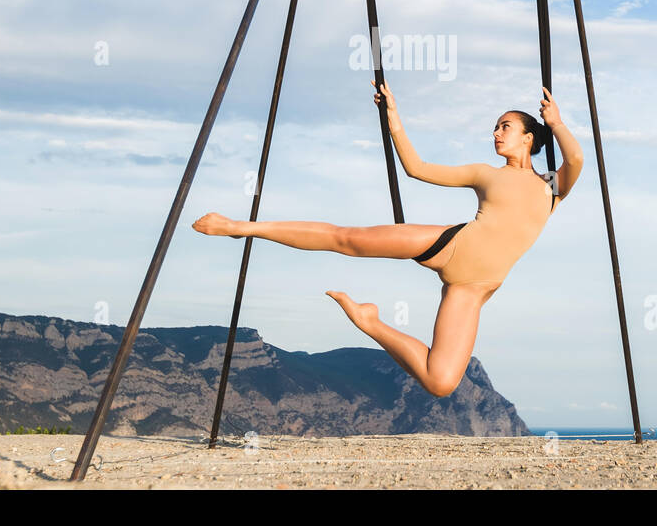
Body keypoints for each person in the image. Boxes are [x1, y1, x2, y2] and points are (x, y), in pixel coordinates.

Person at [192, 79, 585, 396]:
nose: (496, 134)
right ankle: (241, 227)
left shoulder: (549, 185)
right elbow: (416, 168)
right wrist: (393, 116)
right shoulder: (486, 173)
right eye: (495, 127)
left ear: (529, 137)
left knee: (441, 382)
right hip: (450, 248)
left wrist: (558, 122)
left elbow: (577, 161)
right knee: (345, 239)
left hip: (474, 288)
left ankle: (369, 320)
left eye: (505, 127)